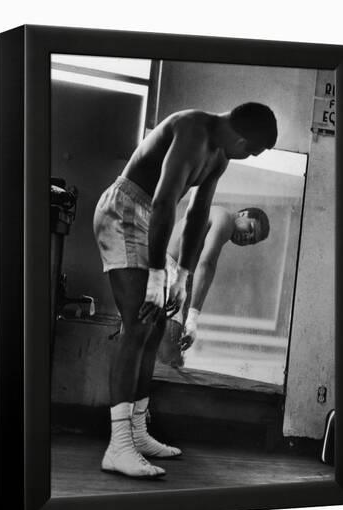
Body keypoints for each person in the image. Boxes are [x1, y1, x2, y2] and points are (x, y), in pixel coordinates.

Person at [93, 103, 277, 478]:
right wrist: (159, 274)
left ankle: (138, 432)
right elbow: (163, 200)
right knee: (137, 325)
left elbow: (195, 215)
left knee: (156, 327)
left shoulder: (219, 158)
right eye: (252, 151)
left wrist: (181, 278)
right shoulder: (192, 128)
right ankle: (118, 445)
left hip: (150, 221)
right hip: (126, 208)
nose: (248, 156)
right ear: (243, 140)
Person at [160, 205, 270, 366]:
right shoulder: (225, 219)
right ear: (242, 213)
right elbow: (207, 264)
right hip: (170, 269)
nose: (248, 236)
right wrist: (192, 318)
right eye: (250, 228)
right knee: (168, 354)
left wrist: (189, 319)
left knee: (171, 353)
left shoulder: (218, 219)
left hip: (173, 272)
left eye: (252, 239)